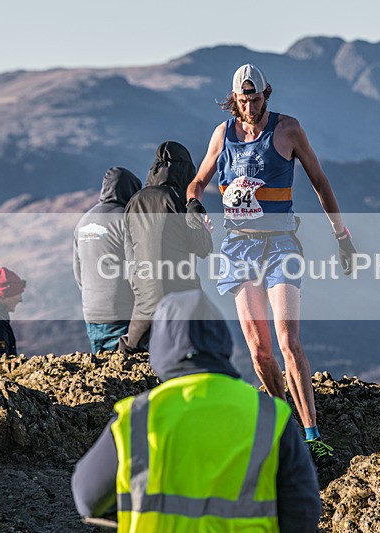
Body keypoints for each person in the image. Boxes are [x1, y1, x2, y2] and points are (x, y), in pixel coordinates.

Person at [186, 63, 356, 467]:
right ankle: (284, 429)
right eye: (243, 100)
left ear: (267, 95)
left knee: (286, 339)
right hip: (237, 249)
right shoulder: (222, 135)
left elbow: (320, 181)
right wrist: (194, 204)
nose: (250, 106)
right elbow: (197, 182)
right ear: (234, 99)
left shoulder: (288, 129)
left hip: (280, 245)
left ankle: (312, 432)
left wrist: (341, 236)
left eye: (256, 99)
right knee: (260, 350)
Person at [71, 290, 321, 532]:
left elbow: (87, 500)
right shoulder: (269, 416)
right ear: (222, 341)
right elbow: (303, 513)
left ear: (160, 346)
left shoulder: (137, 417)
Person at [119, 141, 213, 354]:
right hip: (181, 293)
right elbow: (202, 249)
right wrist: (204, 230)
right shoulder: (181, 200)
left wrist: (139, 286)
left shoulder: (134, 201)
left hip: (145, 293)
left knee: (130, 351)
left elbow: (129, 252)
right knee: (199, 349)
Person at [73, 167, 142, 353]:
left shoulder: (83, 222)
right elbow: (134, 268)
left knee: (102, 374)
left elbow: (78, 273)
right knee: (127, 375)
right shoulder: (125, 219)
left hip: (92, 313)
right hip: (121, 314)